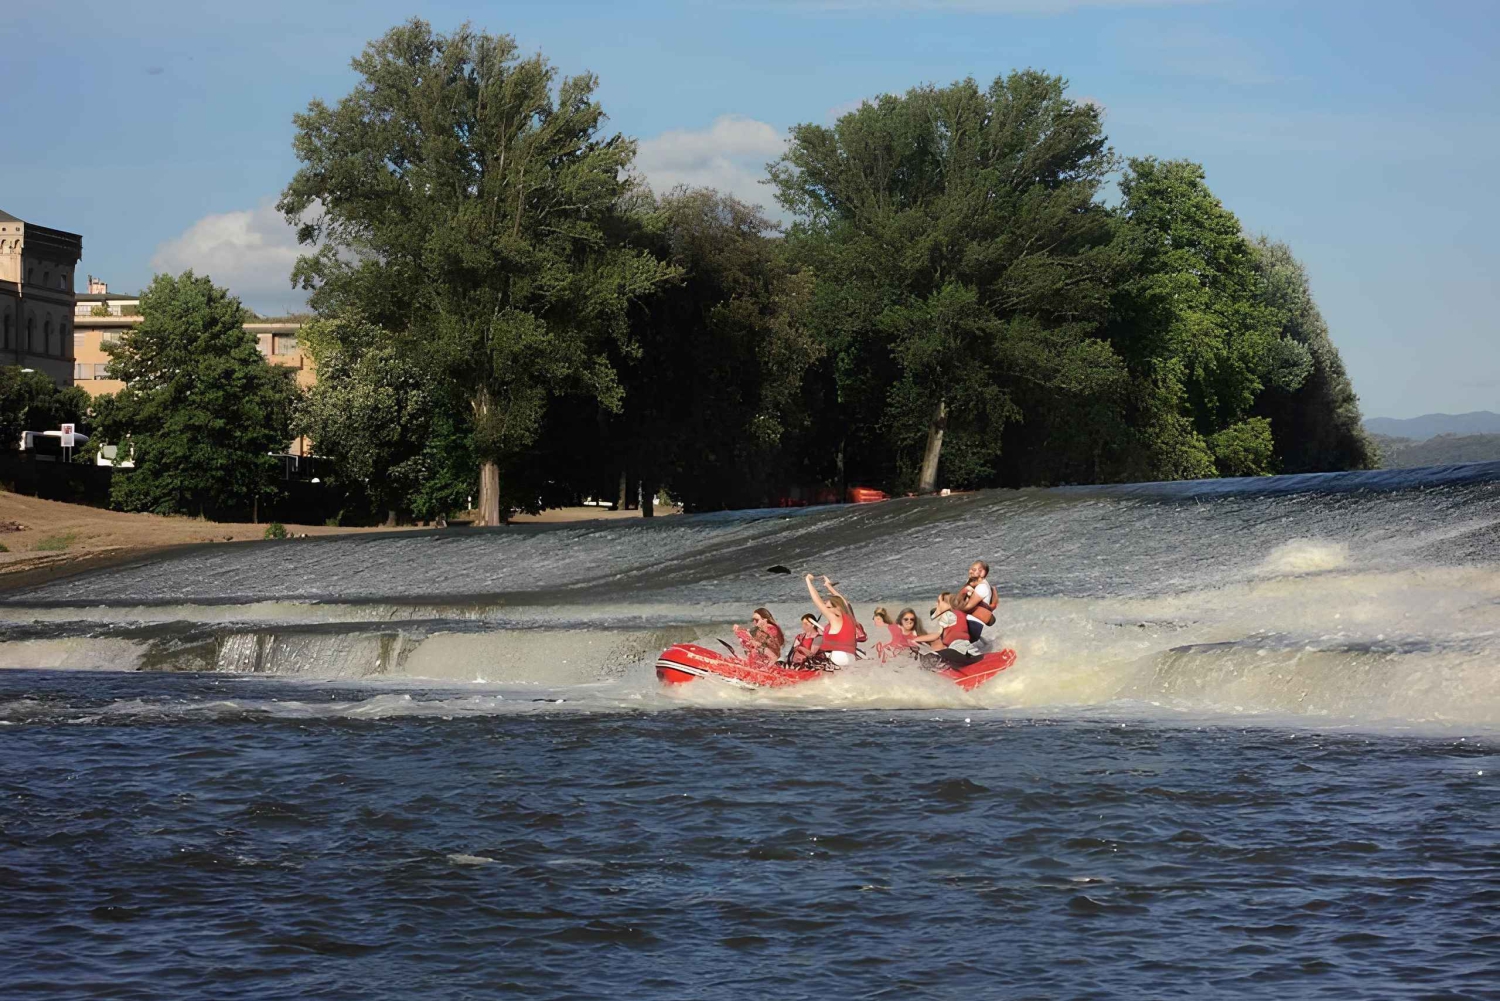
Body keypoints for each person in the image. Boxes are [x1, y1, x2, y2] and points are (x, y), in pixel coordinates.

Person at [909, 592, 979, 668]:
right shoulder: (959, 613)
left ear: (948, 604)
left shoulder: (947, 615)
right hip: (963, 646)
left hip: (957, 647)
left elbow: (936, 635)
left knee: (934, 656)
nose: (937, 605)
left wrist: (915, 639)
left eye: (939, 602)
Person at [804, 574, 858, 668]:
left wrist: (808, 581)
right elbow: (842, 600)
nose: (826, 610)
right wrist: (829, 586)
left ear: (837, 607)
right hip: (851, 657)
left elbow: (817, 601)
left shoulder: (835, 619)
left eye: (828, 607)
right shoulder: (849, 615)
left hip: (838, 656)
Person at [956, 560, 998, 646]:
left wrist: (949, 606)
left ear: (982, 573)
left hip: (973, 624)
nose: (970, 571)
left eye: (974, 569)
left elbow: (967, 606)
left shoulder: (982, 587)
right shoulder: (972, 584)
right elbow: (958, 600)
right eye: (971, 569)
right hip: (967, 621)